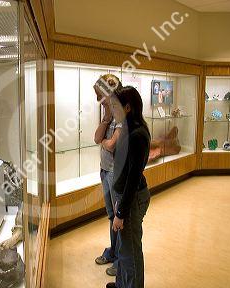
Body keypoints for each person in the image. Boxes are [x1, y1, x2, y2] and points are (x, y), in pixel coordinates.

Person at [106, 86, 151, 288]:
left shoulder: (137, 135)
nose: (111, 109)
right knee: (124, 248)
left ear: (127, 107)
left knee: (131, 251)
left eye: (115, 106)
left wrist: (121, 212)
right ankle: (121, 284)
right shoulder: (127, 129)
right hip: (123, 195)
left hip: (130, 198)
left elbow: (133, 178)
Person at [93, 75, 123, 276]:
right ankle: (113, 252)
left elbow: (111, 144)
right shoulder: (109, 116)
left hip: (115, 173)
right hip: (105, 170)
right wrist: (106, 117)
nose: (98, 101)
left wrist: (106, 141)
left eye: (100, 96)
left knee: (119, 219)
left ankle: (121, 259)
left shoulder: (121, 115)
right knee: (111, 216)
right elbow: (97, 138)